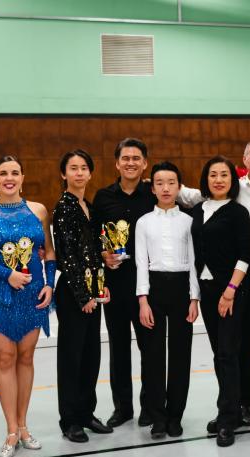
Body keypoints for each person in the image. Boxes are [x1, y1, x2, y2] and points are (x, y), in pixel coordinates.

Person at [177, 138, 250, 428]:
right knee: (243, 344)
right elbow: (200, 195)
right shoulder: (234, 187)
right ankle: (244, 403)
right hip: (247, 274)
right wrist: (155, 185)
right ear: (244, 160)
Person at [0, 155, 56, 457]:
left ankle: (23, 426)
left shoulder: (39, 210)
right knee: (5, 358)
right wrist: (8, 274)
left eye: (15, 172)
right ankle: (10, 429)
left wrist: (50, 284)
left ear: (22, 177)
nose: (9, 178)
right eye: (3, 173)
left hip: (32, 292)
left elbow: (48, 252)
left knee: (26, 357)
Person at [135, 161, 200, 439]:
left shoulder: (189, 221)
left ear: (179, 187)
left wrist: (194, 298)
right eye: (159, 183)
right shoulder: (143, 222)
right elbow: (141, 262)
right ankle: (157, 417)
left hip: (182, 288)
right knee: (152, 356)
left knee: (180, 355)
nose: (165, 188)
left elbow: (195, 262)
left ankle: (175, 416)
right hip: (154, 289)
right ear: (152, 188)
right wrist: (143, 300)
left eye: (171, 183)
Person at [190, 156, 250, 447]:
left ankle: (227, 419)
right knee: (219, 354)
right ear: (206, 179)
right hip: (207, 290)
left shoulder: (238, 212)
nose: (218, 179)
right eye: (213, 174)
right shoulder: (197, 210)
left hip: (231, 291)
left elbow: (244, 255)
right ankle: (232, 409)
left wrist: (230, 291)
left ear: (232, 180)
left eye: (224, 174)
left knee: (227, 353)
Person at [92, 138, 154, 428]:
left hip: (148, 285)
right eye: (125, 158)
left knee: (149, 346)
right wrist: (102, 254)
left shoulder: (154, 194)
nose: (131, 162)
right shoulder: (103, 197)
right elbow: (93, 236)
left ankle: (150, 406)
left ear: (145, 163)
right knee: (118, 348)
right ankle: (123, 408)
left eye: (136, 158)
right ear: (117, 163)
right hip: (115, 283)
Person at [53, 149, 113, 443]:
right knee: (72, 357)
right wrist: (82, 295)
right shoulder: (63, 208)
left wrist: (101, 286)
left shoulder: (88, 206)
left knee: (91, 356)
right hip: (74, 293)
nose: (78, 173)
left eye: (83, 168)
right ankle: (70, 420)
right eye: (73, 168)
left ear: (90, 173)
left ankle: (87, 413)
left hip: (93, 290)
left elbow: (93, 252)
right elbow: (67, 256)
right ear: (64, 174)